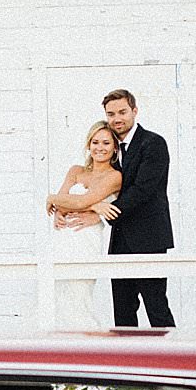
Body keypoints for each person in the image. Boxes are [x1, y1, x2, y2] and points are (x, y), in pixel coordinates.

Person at [101, 89, 176, 327]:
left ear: (134, 111)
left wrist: (107, 212)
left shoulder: (153, 143)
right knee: (123, 313)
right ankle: (127, 352)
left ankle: (171, 350)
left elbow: (143, 190)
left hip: (149, 239)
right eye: (111, 114)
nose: (116, 119)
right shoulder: (110, 148)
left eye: (122, 112)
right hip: (120, 241)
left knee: (157, 308)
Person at [44, 120, 123, 328]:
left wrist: (52, 198)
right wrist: (95, 205)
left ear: (115, 148)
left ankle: (85, 340)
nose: (100, 148)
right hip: (63, 237)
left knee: (80, 293)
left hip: (86, 239)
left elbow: (76, 202)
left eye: (106, 143)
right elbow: (62, 204)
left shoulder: (114, 176)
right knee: (56, 293)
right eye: (95, 142)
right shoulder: (76, 171)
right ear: (88, 144)